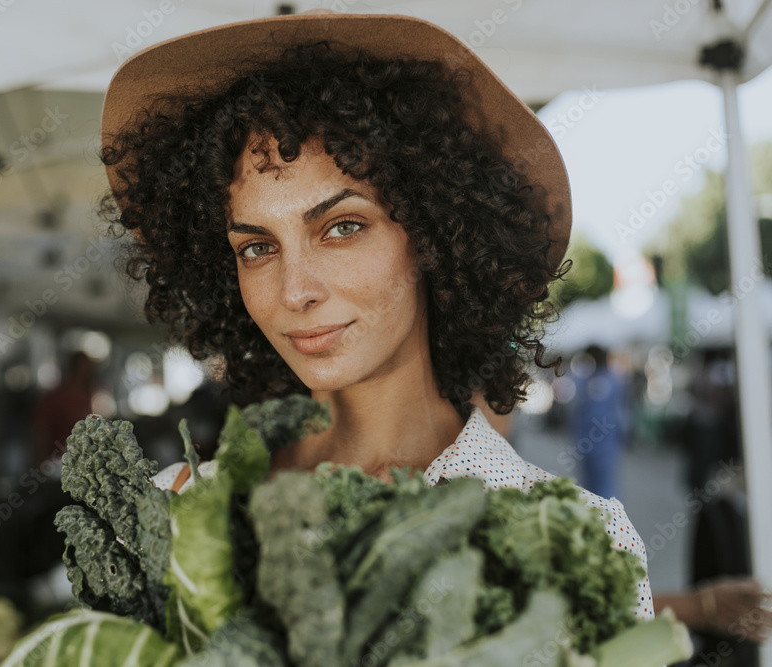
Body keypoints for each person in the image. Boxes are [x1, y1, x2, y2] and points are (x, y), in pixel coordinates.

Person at [98, 12, 654, 621]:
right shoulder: (177, 510)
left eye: (342, 227)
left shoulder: (584, 549)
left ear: (436, 232)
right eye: (257, 247)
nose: (295, 291)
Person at [570, 344, 629, 500]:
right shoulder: (586, 379)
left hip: (605, 441)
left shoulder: (615, 380)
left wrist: (622, 434)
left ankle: (606, 516)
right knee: (587, 483)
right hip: (587, 439)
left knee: (604, 484)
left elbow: (620, 410)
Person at [31, 351, 96, 465]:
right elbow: (40, 431)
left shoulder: (90, 396)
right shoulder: (57, 397)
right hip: (58, 462)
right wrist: (41, 461)